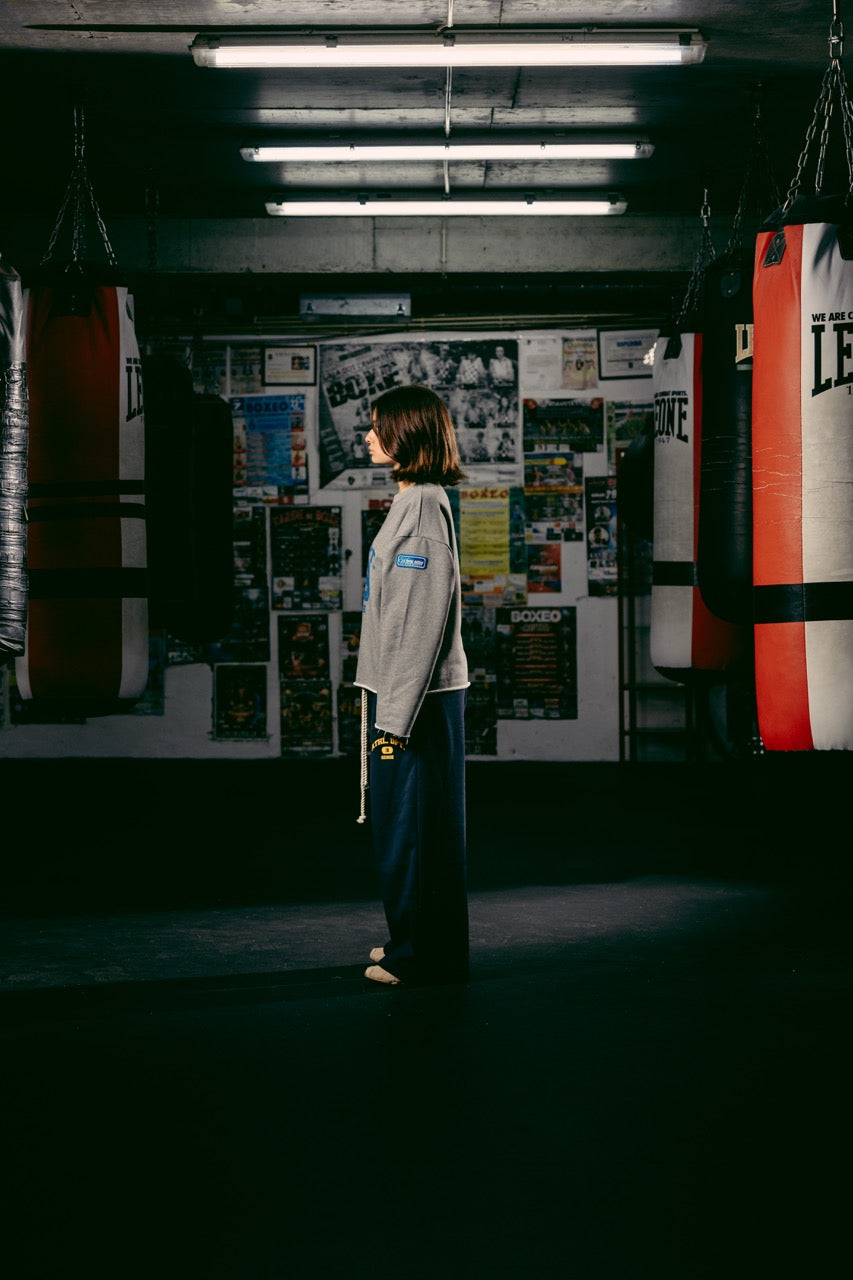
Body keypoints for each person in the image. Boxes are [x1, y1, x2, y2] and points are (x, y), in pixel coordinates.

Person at [355, 384, 470, 986]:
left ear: (407, 437)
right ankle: (417, 940)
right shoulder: (414, 500)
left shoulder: (423, 505)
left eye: (377, 428)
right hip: (403, 693)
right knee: (407, 829)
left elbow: (420, 620)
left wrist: (394, 719)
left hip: (414, 700)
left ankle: (420, 956)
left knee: (413, 833)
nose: (368, 437)